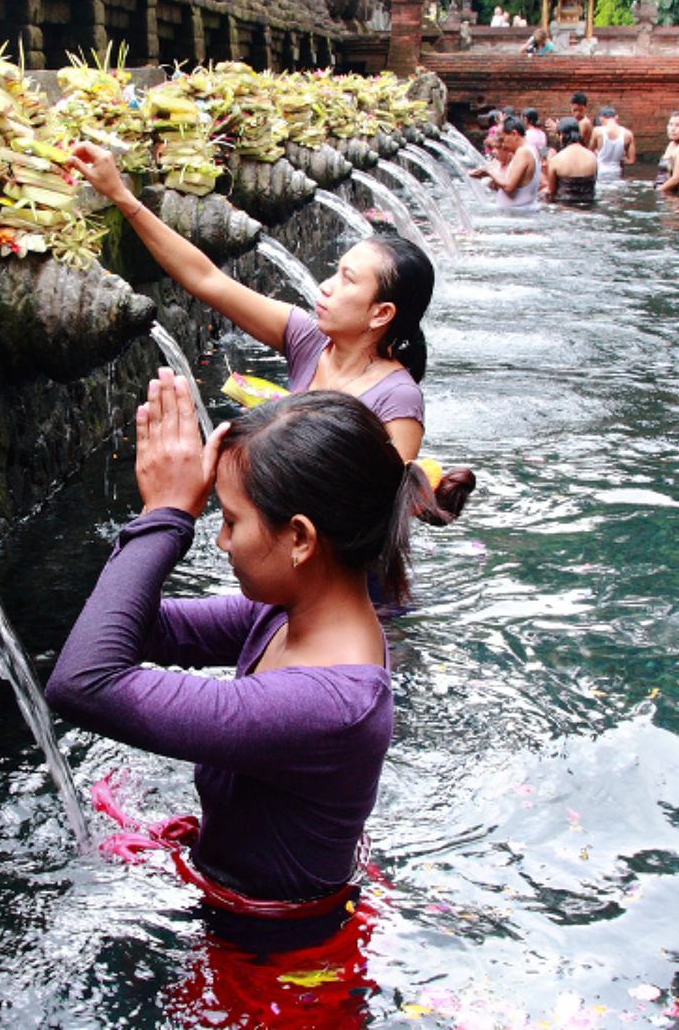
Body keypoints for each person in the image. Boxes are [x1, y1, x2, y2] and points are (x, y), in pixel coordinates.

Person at [48, 381, 427, 952]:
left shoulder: (330, 705)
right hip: (237, 905)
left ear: (299, 538)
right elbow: (120, 631)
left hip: (273, 958)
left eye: (230, 520)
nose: (221, 541)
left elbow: (84, 682)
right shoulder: (286, 613)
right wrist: (159, 514)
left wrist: (166, 517)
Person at [69, 141, 433, 464]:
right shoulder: (309, 341)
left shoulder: (395, 399)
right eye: (335, 272)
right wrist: (121, 195)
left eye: (347, 280)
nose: (325, 287)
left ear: (381, 314)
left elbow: (386, 507)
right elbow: (206, 279)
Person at [469, 114, 542, 212]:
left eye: (503, 139)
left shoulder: (523, 152)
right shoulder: (531, 150)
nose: (503, 145)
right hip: (519, 212)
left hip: (516, 214)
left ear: (514, 134)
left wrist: (488, 171)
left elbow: (509, 186)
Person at [540, 116, 598, 203]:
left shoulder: (556, 160)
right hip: (589, 206)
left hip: (564, 207)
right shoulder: (592, 157)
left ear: (562, 136)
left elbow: (551, 191)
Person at [589, 106, 634, 175]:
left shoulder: (597, 131)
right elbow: (631, 161)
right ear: (616, 117)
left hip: (600, 171)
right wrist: (620, 161)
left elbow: (589, 153)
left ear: (601, 118)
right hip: (617, 172)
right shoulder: (628, 134)